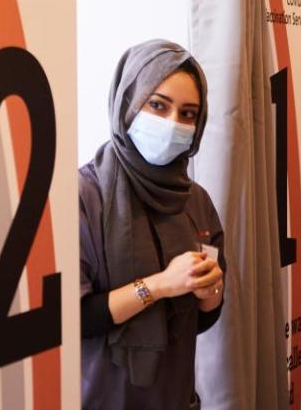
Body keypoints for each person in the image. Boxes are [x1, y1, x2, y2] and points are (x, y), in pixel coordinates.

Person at [78, 39, 226, 409]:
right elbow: (74, 319)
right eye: (158, 105)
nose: (173, 123)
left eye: (188, 114)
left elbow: (201, 321)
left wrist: (211, 292)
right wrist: (161, 285)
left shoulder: (196, 201)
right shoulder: (83, 196)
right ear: (127, 102)